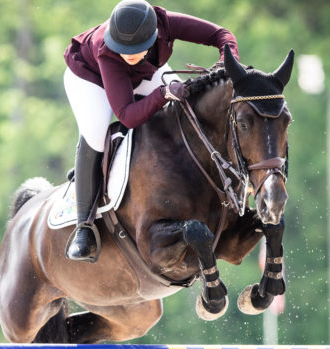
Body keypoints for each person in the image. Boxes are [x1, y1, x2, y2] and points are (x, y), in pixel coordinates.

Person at [63, 0, 240, 262]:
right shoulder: (107, 51)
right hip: (90, 79)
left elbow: (221, 35)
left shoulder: (167, 24)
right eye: (122, 47)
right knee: (96, 134)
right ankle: (84, 226)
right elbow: (128, 115)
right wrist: (163, 94)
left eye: (134, 48)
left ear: (154, 34)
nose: (127, 53)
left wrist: (228, 62)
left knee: (187, 111)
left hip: (145, 74)